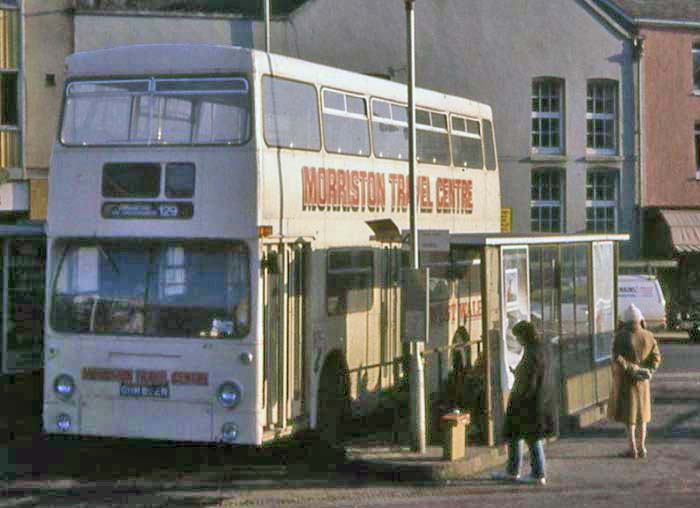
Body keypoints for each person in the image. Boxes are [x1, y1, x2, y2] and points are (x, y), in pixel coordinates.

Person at [492, 320, 555, 485]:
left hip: (527, 402)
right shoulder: (542, 349)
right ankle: (515, 470)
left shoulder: (532, 353)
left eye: (518, 337)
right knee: (521, 435)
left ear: (524, 336)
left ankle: (536, 473)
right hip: (539, 400)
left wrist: (518, 378)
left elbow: (529, 379)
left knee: (530, 437)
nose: (518, 341)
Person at [608, 303, 661, 459]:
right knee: (642, 417)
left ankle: (632, 448)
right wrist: (648, 371)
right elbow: (656, 357)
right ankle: (642, 447)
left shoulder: (620, 336)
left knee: (629, 417)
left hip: (626, 381)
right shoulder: (649, 336)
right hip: (643, 382)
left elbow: (617, 357)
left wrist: (631, 369)